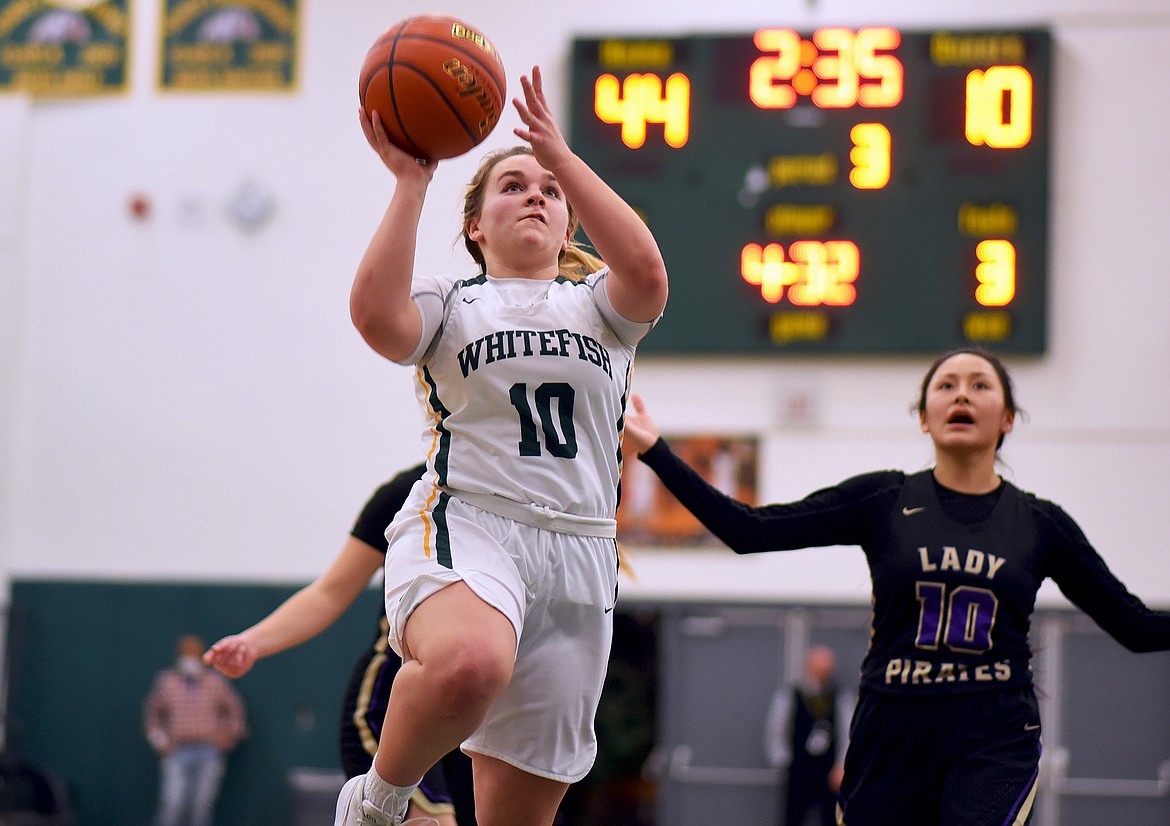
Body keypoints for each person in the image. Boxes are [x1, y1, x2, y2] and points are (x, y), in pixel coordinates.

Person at [623, 347, 1170, 826]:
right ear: (924, 418)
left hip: (994, 733)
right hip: (892, 728)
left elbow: (1137, 627)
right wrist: (657, 452)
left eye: (980, 385)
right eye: (946, 385)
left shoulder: (1040, 523)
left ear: (1006, 418)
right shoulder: (883, 499)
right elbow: (749, 530)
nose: (962, 394)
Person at [334, 62, 668, 826]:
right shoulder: (452, 304)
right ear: (476, 227)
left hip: (580, 554)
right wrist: (411, 184)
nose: (536, 195)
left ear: (569, 220)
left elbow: (648, 271)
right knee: (470, 663)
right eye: (513, 186)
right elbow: (376, 320)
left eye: (548, 191)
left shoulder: (601, 309)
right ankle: (379, 800)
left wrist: (564, 158)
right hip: (472, 522)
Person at [204, 464, 472, 825]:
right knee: (435, 819)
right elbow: (330, 593)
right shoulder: (412, 491)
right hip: (398, 703)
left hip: (480, 718)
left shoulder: (539, 501)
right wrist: (252, 642)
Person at [143, 634, 248, 826]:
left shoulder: (215, 681)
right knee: (172, 804)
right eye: (185, 654)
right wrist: (159, 740)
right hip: (177, 751)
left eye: (194, 654)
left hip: (208, 752)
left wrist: (227, 738)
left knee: (201, 808)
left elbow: (235, 709)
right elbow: (152, 715)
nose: (189, 659)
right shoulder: (166, 681)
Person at [763, 646, 849, 826]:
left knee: (832, 818)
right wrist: (784, 762)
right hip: (799, 768)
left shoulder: (840, 696)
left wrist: (842, 765)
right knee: (793, 817)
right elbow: (776, 728)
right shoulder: (791, 694)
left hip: (829, 771)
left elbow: (847, 732)